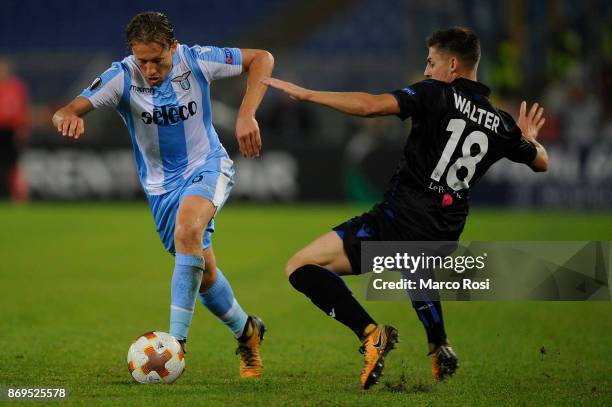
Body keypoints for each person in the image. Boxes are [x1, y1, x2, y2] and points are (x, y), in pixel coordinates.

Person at [263, 27, 548, 389]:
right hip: (444, 231)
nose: (427, 71)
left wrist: (309, 94)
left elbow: (370, 106)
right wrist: (529, 141)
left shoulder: (436, 93)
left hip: (401, 219)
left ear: (453, 64)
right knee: (416, 262)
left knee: (300, 266)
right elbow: (541, 163)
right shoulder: (501, 123)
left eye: (431, 62)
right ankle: (439, 344)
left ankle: (370, 334)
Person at [52, 11, 274, 379]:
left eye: (159, 60)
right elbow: (67, 109)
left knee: (188, 229)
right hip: (160, 189)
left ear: (174, 47)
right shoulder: (121, 77)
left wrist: (246, 114)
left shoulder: (197, 58)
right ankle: (247, 332)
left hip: (208, 164)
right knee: (203, 273)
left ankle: (175, 345)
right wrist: (67, 118)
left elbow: (262, 58)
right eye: (143, 61)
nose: (151, 69)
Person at [0, 58, 30, 201]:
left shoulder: (17, 87)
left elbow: (22, 109)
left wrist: (22, 128)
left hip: (11, 130)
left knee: (13, 164)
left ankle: (17, 195)